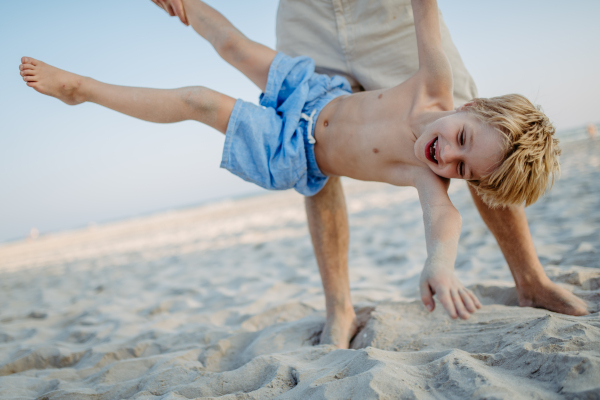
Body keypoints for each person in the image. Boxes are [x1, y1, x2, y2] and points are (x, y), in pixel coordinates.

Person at [20, 0, 586, 350]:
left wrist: (440, 269)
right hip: (315, 93)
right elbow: (425, 10)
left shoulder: (425, 176)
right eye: (461, 139)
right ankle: (183, 3)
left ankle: (84, 91)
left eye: (463, 169)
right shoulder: (434, 85)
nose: (447, 158)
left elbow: (444, 223)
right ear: (473, 105)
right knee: (235, 45)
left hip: (295, 149)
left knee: (199, 100)